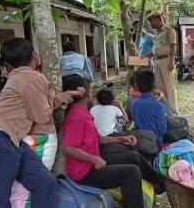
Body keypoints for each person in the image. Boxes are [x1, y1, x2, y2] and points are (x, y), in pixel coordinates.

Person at [0, 37, 85, 207]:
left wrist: (69, 95)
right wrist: (56, 96)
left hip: (10, 138)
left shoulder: (19, 78)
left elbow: (41, 103)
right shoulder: (33, 77)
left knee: (45, 182)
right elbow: (42, 115)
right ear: (34, 54)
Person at [61, 76, 145, 208]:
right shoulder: (76, 116)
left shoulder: (84, 113)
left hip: (94, 162)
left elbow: (98, 138)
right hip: (84, 173)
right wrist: (94, 160)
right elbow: (68, 147)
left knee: (133, 156)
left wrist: (121, 139)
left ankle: (160, 184)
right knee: (132, 173)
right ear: (87, 93)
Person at [143, 11, 178, 112]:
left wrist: (171, 62)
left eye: (152, 21)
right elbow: (155, 50)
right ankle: (164, 108)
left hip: (166, 60)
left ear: (158, 19)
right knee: (159, 86)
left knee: (169, 85)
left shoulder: (169, 30)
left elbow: (173, 47)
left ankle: (173, 109)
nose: (151, 24)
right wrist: (144, 56)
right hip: (156, 61)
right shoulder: (156, 33)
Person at [132, 70, 168, 144]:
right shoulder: (159, 106)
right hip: (156, 143)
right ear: (154, 85)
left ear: (138, 87)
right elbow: (163, 130)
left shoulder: (135, 103)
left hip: (141, 141)